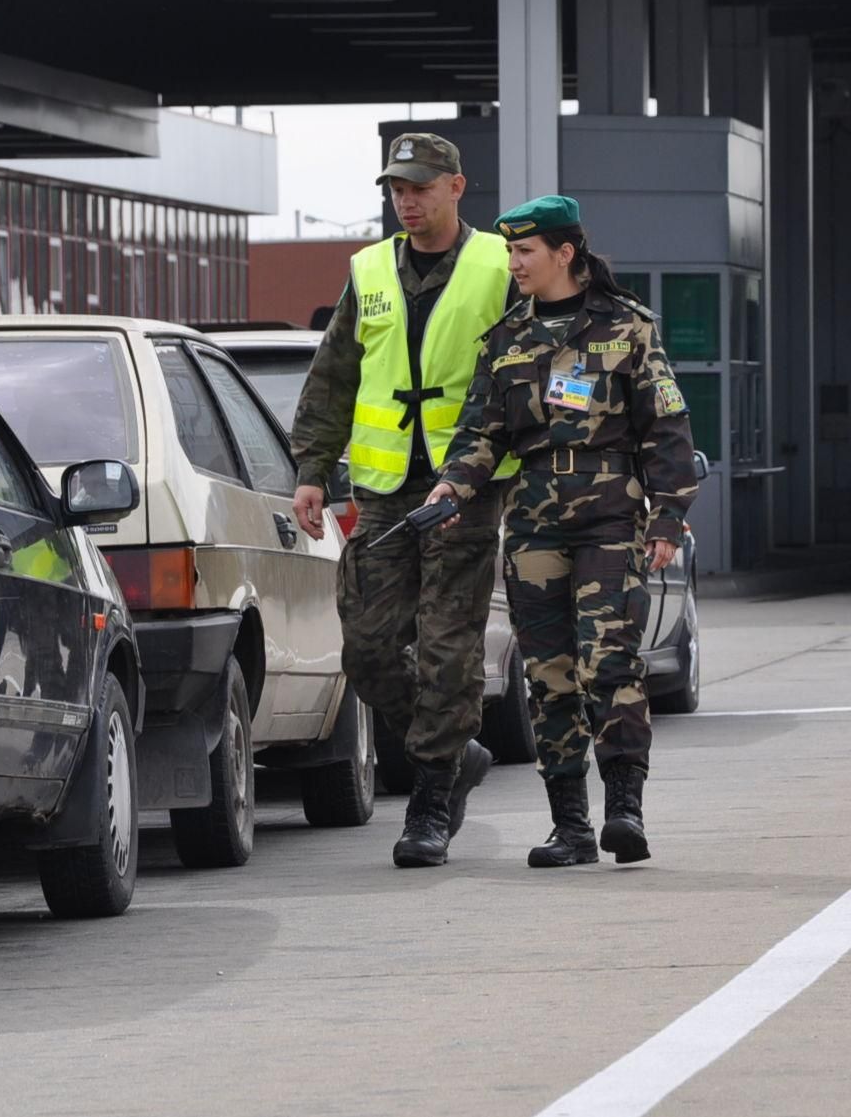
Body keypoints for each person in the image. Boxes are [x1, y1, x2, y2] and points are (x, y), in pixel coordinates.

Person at [425, 195, 697, 868]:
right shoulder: (508, 339)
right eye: (510, 251)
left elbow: (666, 427)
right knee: (548, 677)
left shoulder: (626, 326)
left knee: (608, 662)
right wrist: (451, 485)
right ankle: (569, 826)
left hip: (609, 517)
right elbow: (479, 433)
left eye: (525, 252)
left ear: (563, 254)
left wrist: (667, 514)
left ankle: (624, 810)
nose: (513, 263)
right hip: (534, 523)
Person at [289, 131, 517, 868]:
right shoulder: (369, 270)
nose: (406, 200)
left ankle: (430, 797)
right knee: (367, 645)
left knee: (449, 646)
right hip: (385, 489)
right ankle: (457, 748)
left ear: (456, 186)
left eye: (420, 186)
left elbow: (529, 369)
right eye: (396, 188)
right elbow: (333, 374)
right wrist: (313, 468)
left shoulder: (496, 264)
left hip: (466, 484)